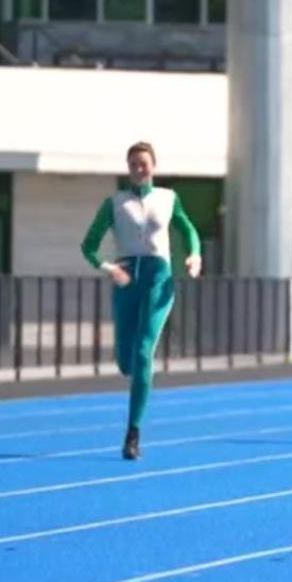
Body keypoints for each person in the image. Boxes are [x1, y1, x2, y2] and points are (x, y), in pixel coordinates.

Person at [80, 141, 202, 460]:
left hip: (158, 275)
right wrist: (108, 268)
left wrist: (194, 255)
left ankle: (133, 433)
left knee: (144, 349)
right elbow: (88, 246)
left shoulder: (168, 198)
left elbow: (188, 230)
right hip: (126, 279)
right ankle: (138, 379)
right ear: (128, 167)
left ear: (154, 166)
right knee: (125, 360)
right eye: (133, 163)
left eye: (144, 163)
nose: (139, 168)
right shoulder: (115, 203)